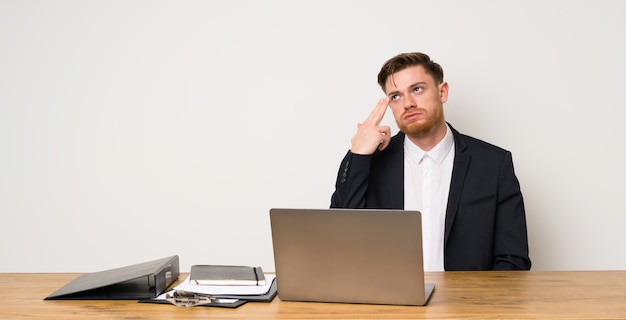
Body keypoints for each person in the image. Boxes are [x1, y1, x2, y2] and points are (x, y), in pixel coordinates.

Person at [330, 52, 531, 271]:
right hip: (389, 303)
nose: (407, 103)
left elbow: (513, 261)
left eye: (417, 89)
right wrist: (357, 155)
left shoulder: (493, 164)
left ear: (442, 91)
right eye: (395, 96)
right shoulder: (370, 163)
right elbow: (340, 243)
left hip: (468, 303)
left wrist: (476, 304)